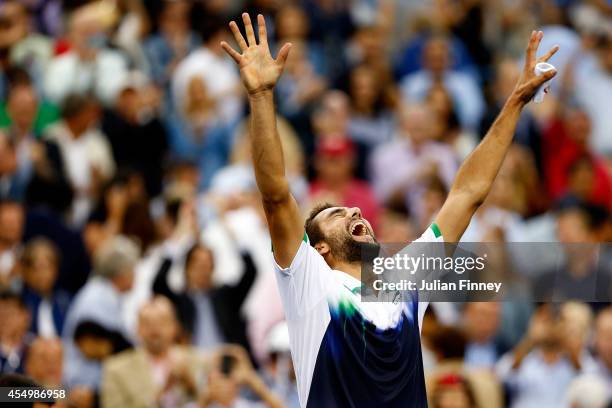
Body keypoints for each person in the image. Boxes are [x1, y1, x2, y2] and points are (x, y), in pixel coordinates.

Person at [221, 14, 558, 407]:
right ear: (320, 249)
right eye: (337, 216)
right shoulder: (309, 282)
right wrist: (261, 97)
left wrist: (516, 101)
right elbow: (277, 196)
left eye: (352, 210)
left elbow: (467, 193)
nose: (353, 213)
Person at [101, 296, 209, 408]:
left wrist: (190, 385)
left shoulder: (198, 360)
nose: (155, 330)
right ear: (137, 328)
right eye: (147, 323)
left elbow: (214, 402)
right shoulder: (116, 369)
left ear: (175, 326)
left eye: (161, 322)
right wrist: (161, 395)